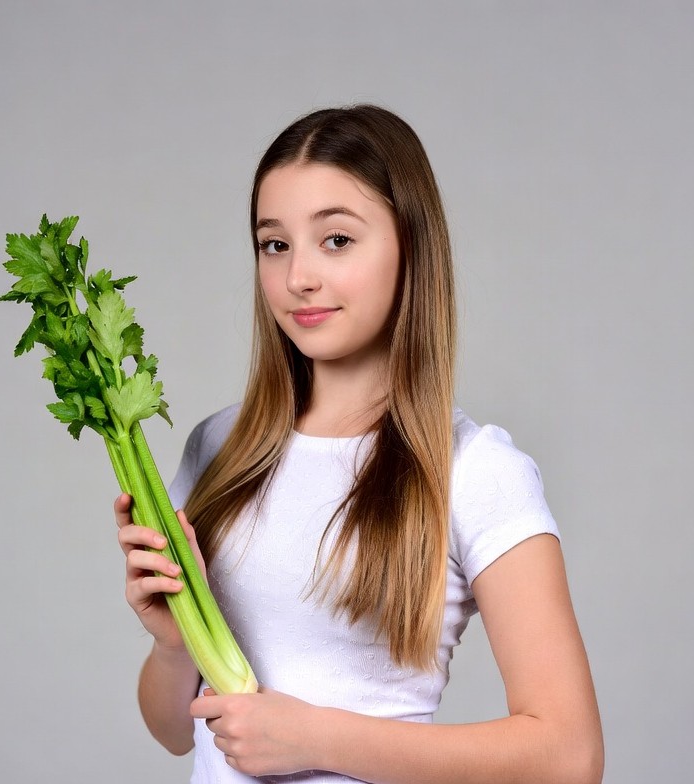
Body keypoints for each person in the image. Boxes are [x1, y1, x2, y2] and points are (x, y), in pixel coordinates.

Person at [115, 104, 604, 783]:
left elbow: (569, 756)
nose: (298, 278)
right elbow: (174, 731)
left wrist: (317, 739)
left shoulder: (474, 472)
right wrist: (172, 647)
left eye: (336, 240)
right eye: (274, 244)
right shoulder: (218, 448)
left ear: (411, 246)